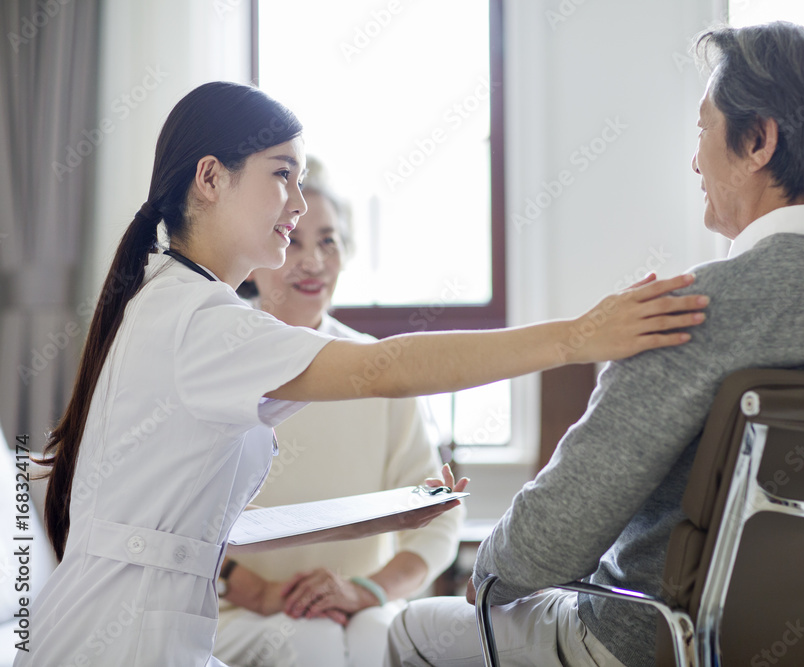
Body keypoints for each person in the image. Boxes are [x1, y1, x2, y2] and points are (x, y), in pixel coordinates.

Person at [20, 82, 707, 667]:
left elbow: (184, 525)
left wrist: (378, 518)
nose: (296, 202)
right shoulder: (202, 320)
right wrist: (578, 336)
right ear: (210, 178)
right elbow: (386, 365)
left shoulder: (184, 302)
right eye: (281, 173)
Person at [385, 21, 804, 667]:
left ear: (759, 139)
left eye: (704, 130)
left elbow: (545, 549)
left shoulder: (686, 312)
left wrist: (488, 571)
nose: (694, 159)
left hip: (667, 642)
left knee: (408, 630)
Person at [211, 157, 465, 667]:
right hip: (239, 614)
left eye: (328, 241)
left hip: (361, 607)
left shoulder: (379, 368)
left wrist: (368, 590)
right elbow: (168, 514)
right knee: (313, 642)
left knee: (375, 635)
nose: (313, 261)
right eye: (294, 240)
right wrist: (260, 592)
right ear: (257, 252)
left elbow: (439, 521)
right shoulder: (217, 357)